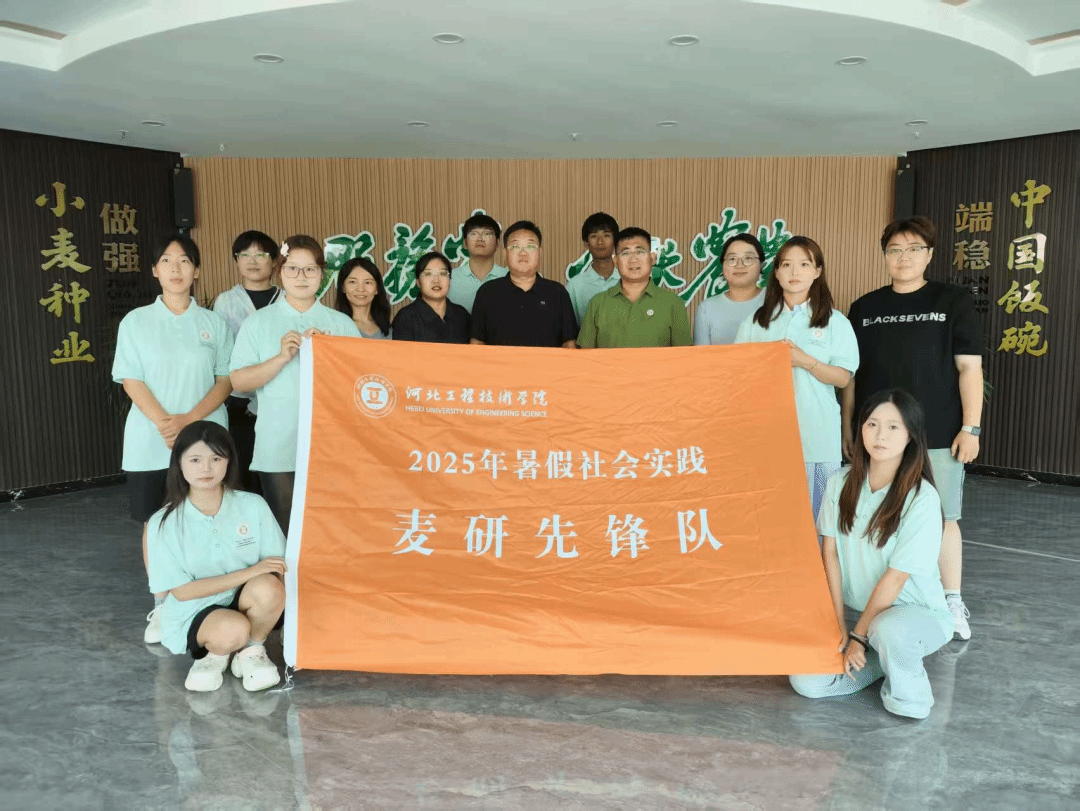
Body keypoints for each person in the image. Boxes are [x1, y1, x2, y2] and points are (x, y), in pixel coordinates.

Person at [843, 216, 982, 640]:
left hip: (936, 432)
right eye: (895, 250)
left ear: (929, 254)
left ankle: (951, 599)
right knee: (879, 513)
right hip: (877, 435)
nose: (903, 258)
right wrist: (850, 428)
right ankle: (884, 598)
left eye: (914, 249)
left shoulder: (953, 301)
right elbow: (851, 377)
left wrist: (971, 428)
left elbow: (969, 368)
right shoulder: (864, 309)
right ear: (885, 256)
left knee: (944, 517)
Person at [789, 388, 953, 720]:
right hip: (866, 619)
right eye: (872, 424)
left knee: (890, 630)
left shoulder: (922, 499)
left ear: (911, 435)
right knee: (806, 681)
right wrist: (838, 627)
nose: (880, 435)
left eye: (893, 427)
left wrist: (858, 636)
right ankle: (880, 661)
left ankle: (909, 695)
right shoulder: (839, 483)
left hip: (916, 615)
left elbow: (896, 578)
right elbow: (830, 554)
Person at [112, 234, 234, 646]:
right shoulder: (136, 321)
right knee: (157, 522)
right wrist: (166, 423)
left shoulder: (214, 324)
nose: (176, 268)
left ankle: (210, 600)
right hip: (150, 440)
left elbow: (225, 381)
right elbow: (131, 379)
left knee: (208, 517)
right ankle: (163, 604)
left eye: (184, 261)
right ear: (155, 270)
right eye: (166, 260)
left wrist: (188, 422)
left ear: (196, 270)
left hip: (206, 440)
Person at [230, 235, 361, 533]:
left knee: (330, 531)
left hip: (332, 446)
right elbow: (239, 381)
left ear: (322, 273)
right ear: (279, 271)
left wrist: (331, 355)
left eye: (310, 269)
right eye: (292, 269)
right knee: (286, 532)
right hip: (278, 445)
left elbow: (359, 384)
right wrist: (280, 358)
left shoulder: (341, 324)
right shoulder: (258, 323)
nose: (301, 277)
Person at [147, 421, 286, 693]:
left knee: (270, 586)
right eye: (195, 460)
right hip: (195, 608)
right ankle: (215, 656)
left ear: (228, 462)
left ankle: (251, 650)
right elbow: (183, 592)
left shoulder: (253, 505)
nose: (206, 469)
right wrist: (249, 572)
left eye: (216, 459)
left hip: (247, 597)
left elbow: (277, 566)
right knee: (232, 628)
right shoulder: (163, 523)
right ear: (179, 464)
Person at [735, 236, 858, 521]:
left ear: (817, 272)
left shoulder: (835, 322)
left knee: (818, 522)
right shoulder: (755, 322)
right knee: (772, 520)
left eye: (804, 264)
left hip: (817, 438)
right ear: (776, 273)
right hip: (767, 438)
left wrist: (805, 361)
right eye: (786, 265)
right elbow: (739, 377)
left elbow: (843, 378)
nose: (794, 272)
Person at [213, 230, 280, 493]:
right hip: (238, 402)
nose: (252, 261)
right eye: (245, 255)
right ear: (237, 261)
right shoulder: (226, 301)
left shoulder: (287, 299)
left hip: (279, 400)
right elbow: (222, 353)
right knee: (241, 475)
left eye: (260, 254)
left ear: (274, 262)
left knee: (277, 476)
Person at [577, 227, 691, 348]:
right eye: (625, 253)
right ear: (615, 261)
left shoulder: (673, 303)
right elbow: (585, 355)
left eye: (640, 252)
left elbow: (684, 355)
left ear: (652, 258)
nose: (633, 259)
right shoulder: (597, 303)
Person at [471, 220, 578, 348]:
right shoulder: (487, 292)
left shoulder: (557, 293)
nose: (523, 253)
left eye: (530, 247)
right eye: (515, 246)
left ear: (540, 252)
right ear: (505, 253)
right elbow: (477, 343)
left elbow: (569, 343)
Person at [693, 234, 768, 345]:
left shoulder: (776, 302)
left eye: (748, 258)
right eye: (732, 259)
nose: (739, 265)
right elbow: (701, 354)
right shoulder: (706, 309)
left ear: (761, 264)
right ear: (722, 265)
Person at [391, 251, 470, 343]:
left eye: (442, 273)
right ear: (418, 282)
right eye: (428, 274)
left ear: (449, 279)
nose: (436, 280)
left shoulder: (461, 315)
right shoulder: (406, 317)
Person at [447, 212, 508, 313]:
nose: (480, 239)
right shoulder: (449, 279)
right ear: (465, 243)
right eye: (473, 234)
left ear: (497, 243)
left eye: (487, 234)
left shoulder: (508, 277)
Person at [566, 211, 620, 324]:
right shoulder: (575, 286)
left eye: (606, 235)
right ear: (586, 243)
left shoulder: (627, 280)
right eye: (594, 236)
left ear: (615, 241)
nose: (600, 242)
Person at [334, 257, 392, 339]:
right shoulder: (334, 327)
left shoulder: (388, 330)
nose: (361, 289)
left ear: (377, 289)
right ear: (343, 287)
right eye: (353, 282)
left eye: (367, 282)